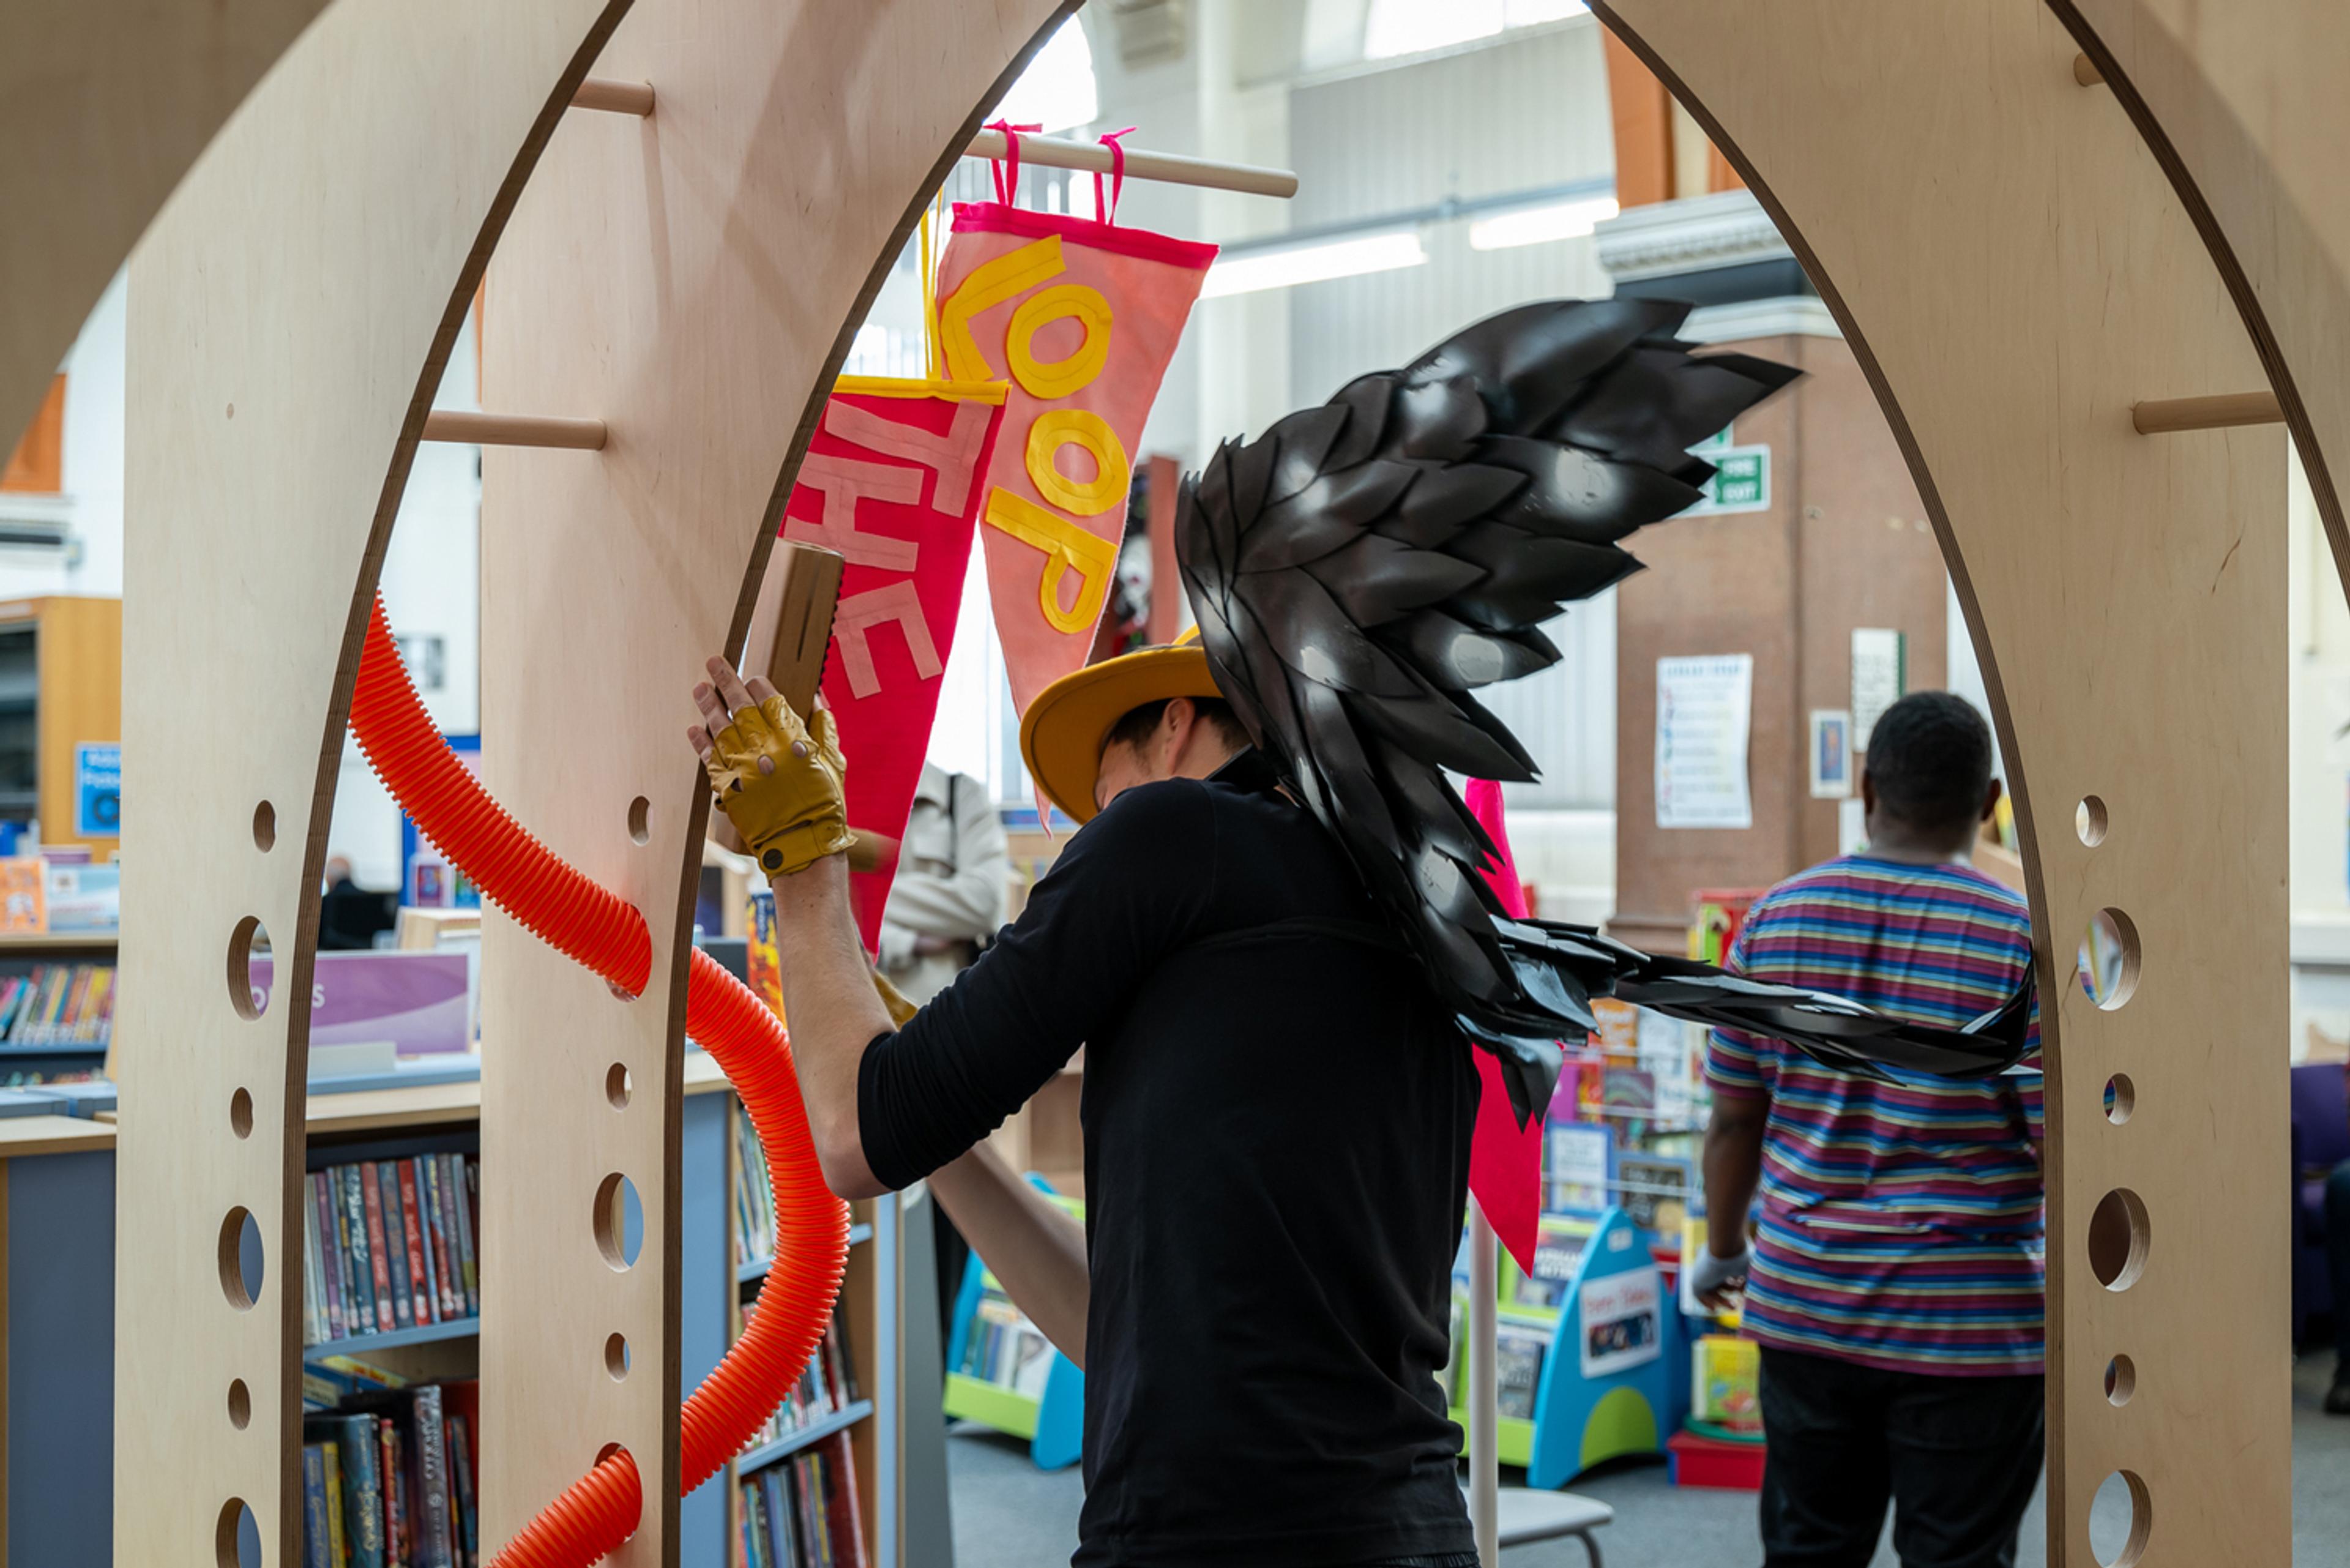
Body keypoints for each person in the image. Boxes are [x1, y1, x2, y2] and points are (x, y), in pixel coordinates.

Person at [687, 630, 1479, 1568]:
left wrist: (803, 856)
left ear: (1176, 726)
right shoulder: (1409, 909)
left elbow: (854, 1138)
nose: (1092, 829)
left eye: (1100, 796)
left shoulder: (1172, 832)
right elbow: (1126, 1333)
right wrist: (935, 1111)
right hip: (1414, 1528)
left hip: (1207, 1538)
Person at [1688, 691, 2043, 1568]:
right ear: (1991, 797)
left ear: (1864, 784)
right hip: (1970, 1320)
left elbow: (1735, 1118)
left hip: (1808, 1305)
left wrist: (1725, 1249)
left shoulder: (1771, 923)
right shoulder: (2018, 941)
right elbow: (2062, 1147)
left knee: (1810, 1551)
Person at [873, 761, 1009, 1348]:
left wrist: (880, 898)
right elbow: (832, 916)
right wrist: (917, 934)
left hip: (950, 1050)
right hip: (867, 1044)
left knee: (957, 1220)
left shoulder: (959, 797)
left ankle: (937, 1394)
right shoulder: (841, 791)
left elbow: (983, 902)